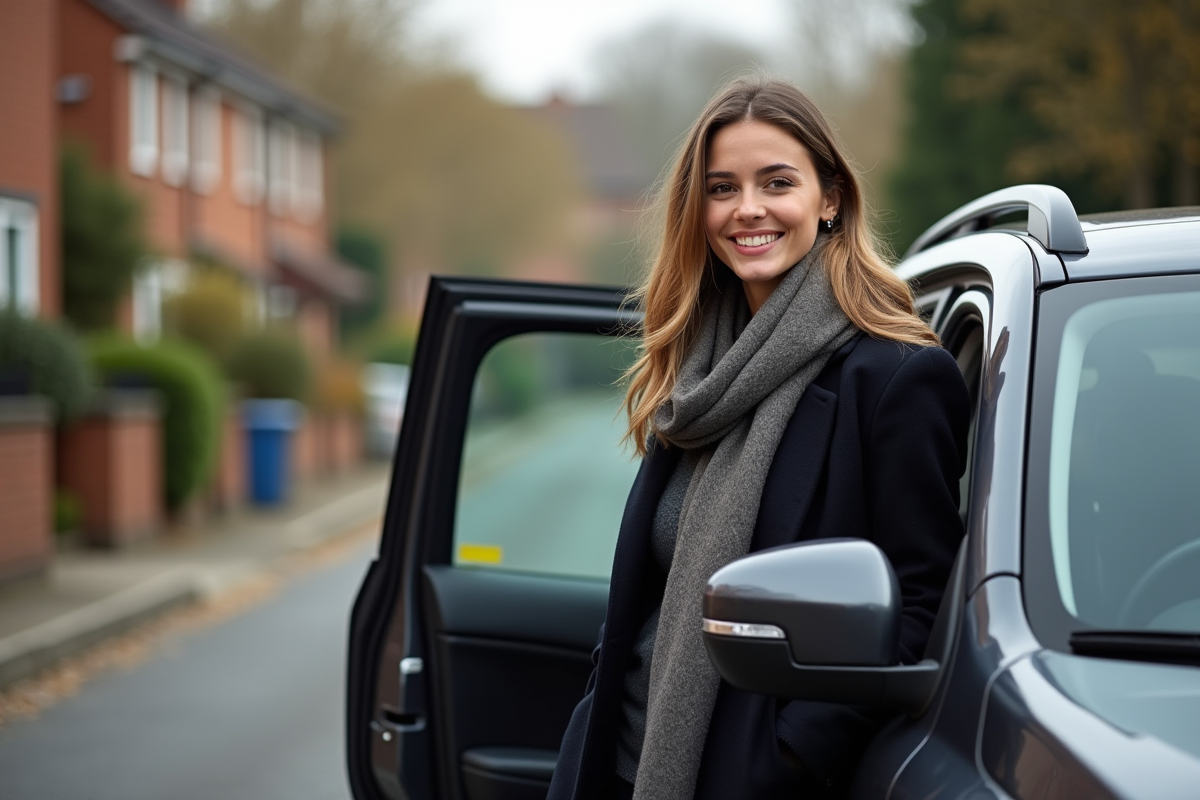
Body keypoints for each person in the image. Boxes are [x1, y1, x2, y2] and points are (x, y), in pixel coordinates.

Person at [547, 77, 970, 800]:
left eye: (777, 182)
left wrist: (793, 756)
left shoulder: (895, 377)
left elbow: (917, 602)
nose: (748, 209)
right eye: (722, 188)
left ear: (829, 197)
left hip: (749, 776)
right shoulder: (700, 371)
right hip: (626, 759)